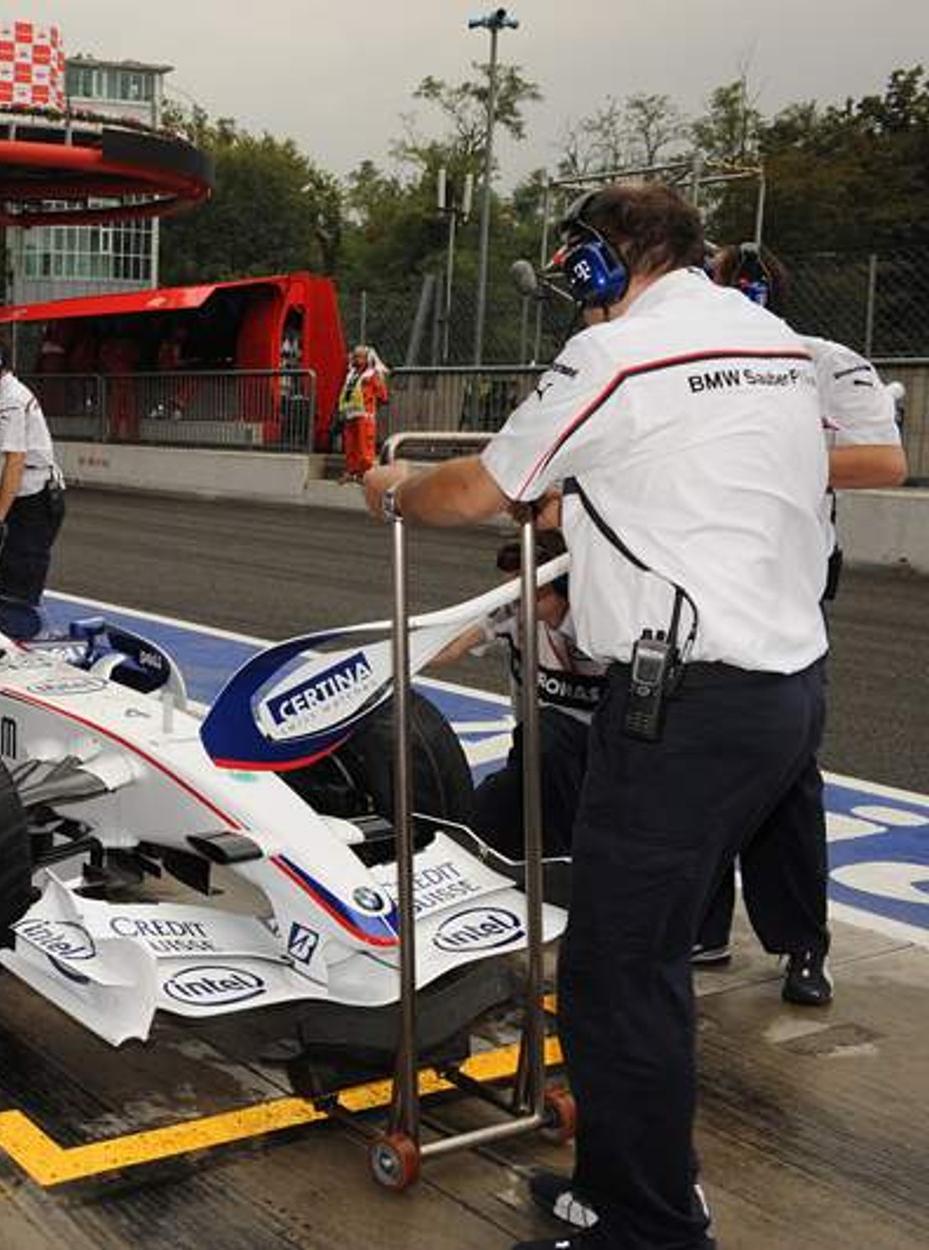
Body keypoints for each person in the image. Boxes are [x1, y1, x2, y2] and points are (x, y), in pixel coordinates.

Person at [362, 182, 830, 1250]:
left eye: (574, 265)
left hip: (685, 704)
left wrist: (391, 486)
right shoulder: (770, 339)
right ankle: (620, 1185)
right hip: (784, 690)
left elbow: (478, 491)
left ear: (598, 262)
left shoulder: (612, 354)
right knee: (635, 963)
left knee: (618, 975)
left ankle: (650, 1224)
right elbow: (675, 474)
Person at [681, 243, 911, 1000]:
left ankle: (802, 945)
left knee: (786, 772)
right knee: (691, 759)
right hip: (694, 581)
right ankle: (704, 927)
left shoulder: (826, 362)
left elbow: (885, 462)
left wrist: (772, 461)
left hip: (787, 587)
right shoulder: (684, 364)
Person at [431, 530, 606, 862]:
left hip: (600, 761)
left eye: (531, 589)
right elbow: (449, 647)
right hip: (537, 755)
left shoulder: (605, 627)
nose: (520, 598)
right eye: (514, 588)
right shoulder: (514, 613)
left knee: (549, 734)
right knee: (475, 818)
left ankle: (563, 861)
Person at [0, 329, 64, 641]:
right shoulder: (2, 395)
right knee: (8, 589)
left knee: (15, 596)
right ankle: (18, 640)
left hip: (35, 503)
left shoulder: (9, 400)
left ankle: (24, 645)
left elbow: (15, 461)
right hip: (30, 501)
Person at [336, 345, 388, 480]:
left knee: (364, 445)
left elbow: (382, 396)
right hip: (350, 414)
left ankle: (365, 473)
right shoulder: (351, 373)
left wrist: (370, 406)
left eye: (359, 356)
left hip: (365, 415)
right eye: (355, 356)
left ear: (367, 358)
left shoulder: (373, 374)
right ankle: (351, 471)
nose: (355, 358)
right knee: (350, 445)